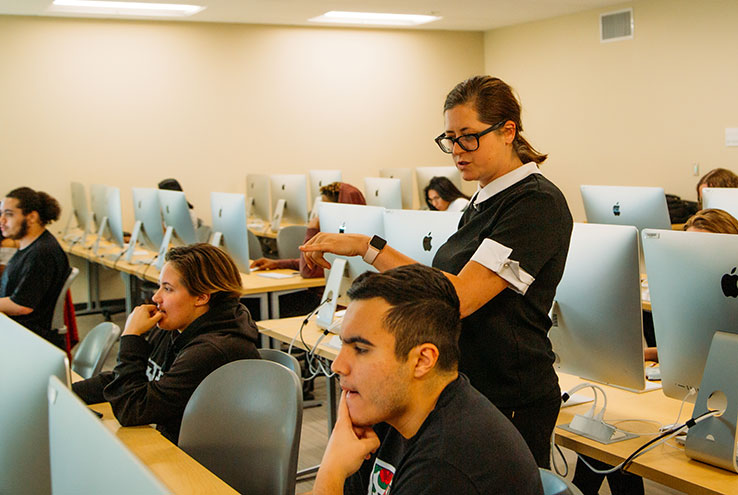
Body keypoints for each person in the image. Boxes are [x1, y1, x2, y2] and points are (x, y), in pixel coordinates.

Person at [302, 75, 573, 467]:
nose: (457, 151)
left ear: (508, 131)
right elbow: (438, 285)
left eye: (469, 136)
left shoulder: (535, 203)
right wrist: (367, 247)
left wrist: (372, 248)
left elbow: (460, 297)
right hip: (469, 383)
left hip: (510, 391)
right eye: (450, 138)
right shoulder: (482, 199)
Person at [313, 264, 543, 495]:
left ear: (423, 360)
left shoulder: (447, 466)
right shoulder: (390, 410)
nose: (337, 365)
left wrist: (331, 471)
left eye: (361, 349)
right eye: (344, 345)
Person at [72, 243, 260, 444]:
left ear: (202, 297)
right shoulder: (177, 325)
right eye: (159, 285)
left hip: (196, 460)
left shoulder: (211, 351)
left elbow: (132, 410)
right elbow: (130, 376)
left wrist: (131, 336)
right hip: (169, 437)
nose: (156, 297)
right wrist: (66, 391)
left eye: (168, 289)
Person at [0, 187, 70, 348]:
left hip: (29, 338)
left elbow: (22, 306)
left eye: (8, 214)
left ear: (31, 217)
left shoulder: (42, 253)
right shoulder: (30, 245)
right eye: (1, 213)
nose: (1, 220)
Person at [250, 182, 366, 278]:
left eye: (327, 209)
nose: (322, 214)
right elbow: (314, 264)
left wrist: (312, 229)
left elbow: (308, 271)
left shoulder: (357, 245)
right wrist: (277, 263)